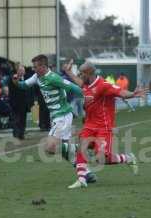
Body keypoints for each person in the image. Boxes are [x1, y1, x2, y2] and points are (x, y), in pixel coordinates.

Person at [63, 61, 147, 189]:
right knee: (81, 147)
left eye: (81, 73)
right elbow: (79, 82)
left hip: (104, 127)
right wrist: (68, 72)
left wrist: (133, 94)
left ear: (89, 73)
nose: (79, 75)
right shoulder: (85, 84)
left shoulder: (103, 85)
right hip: (89, 125)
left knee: (101, 159)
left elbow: (121, 92)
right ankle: (81, 180)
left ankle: (128, 158)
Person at [14, 54, 97, 183]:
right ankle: (86, 173)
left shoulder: (53, 78)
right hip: (57, 117)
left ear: (43, 66)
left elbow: (72, 87)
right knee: (63, 150)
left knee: (50, 147)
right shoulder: (37, 76)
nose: (33, 69)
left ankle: (84, 147)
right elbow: (23, 85)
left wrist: (86, 95)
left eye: (35, 67)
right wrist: (16, 78)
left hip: (62, 116)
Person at [8, 64, 31, 139]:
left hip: (24, 103)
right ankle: (16, 133)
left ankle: (21, 133)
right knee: (16, 119)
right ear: (17, 71)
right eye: (20, 70)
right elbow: (14, 86)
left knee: (23, 119)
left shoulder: (26, 78)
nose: (22, 72)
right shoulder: (14, 77)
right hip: (15, 103)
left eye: (23, 70)